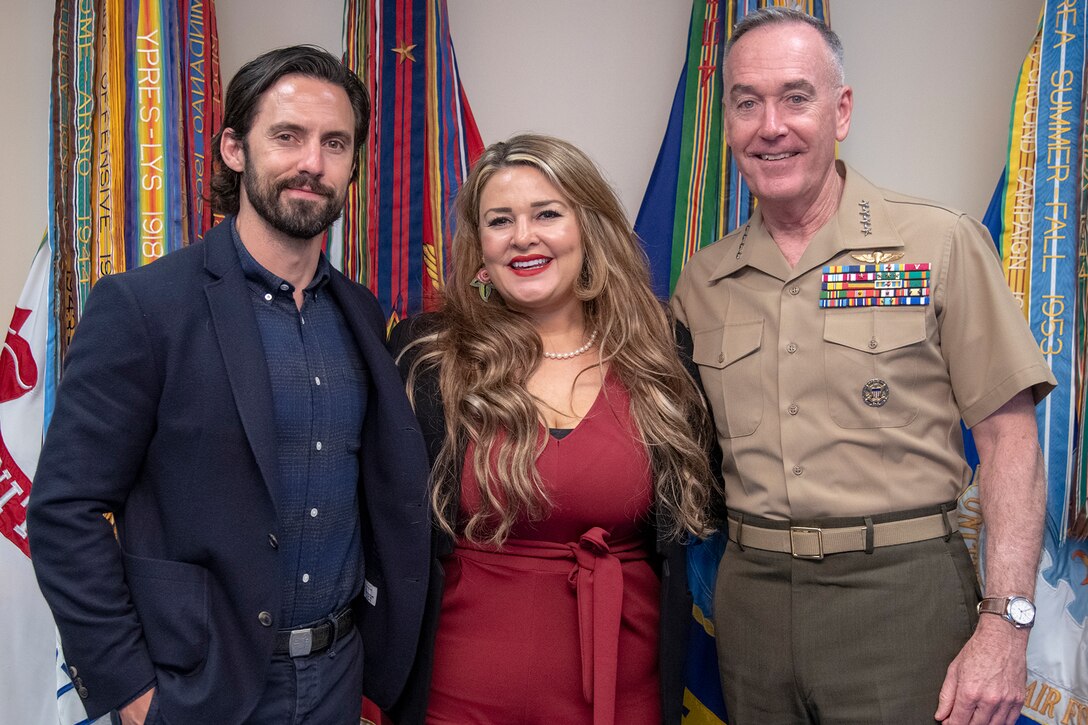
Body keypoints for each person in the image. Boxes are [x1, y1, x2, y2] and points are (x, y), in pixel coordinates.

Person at [671, 8, 1056, 725]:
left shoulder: (936, 245)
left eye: (796, 96)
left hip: (901, 595)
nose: (770, 125)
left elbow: (1011, 440)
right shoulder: (704, 281)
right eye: (747, 103)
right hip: (752, 599)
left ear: (841, 110)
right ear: (727, 124)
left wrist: (1006, 622)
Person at [27, 45, 431, 725]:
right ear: (235, 149)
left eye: (336, 143)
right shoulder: (144, 307)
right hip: (198, 690)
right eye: (288, 136)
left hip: (340, 680)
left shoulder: (364, 316)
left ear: (355, 163)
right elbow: (63, 510)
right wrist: (130, 690)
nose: (312, 162)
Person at [387, 133, 715, 724]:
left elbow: (708, 512)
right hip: (462, 694)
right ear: (479, 248)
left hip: (623, 692)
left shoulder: (663, 357)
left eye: (547, 213)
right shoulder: (429, 357)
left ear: (589, 229)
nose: (523, 237)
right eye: (499, 220)